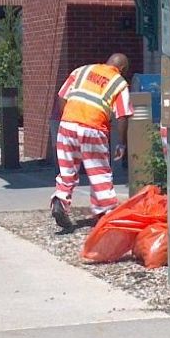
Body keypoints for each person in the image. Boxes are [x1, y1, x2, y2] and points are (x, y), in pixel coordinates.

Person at [50, 53, 133, 229]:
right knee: (99, 172)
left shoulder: (82, 70)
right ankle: (105, 212)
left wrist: (68, 118)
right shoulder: (119, 82)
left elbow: (62, 96)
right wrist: (122, 143)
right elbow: (123, 115)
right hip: (93, 128)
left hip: (67, 124)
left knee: (67, 170)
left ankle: (60, 201)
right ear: (123, 69)